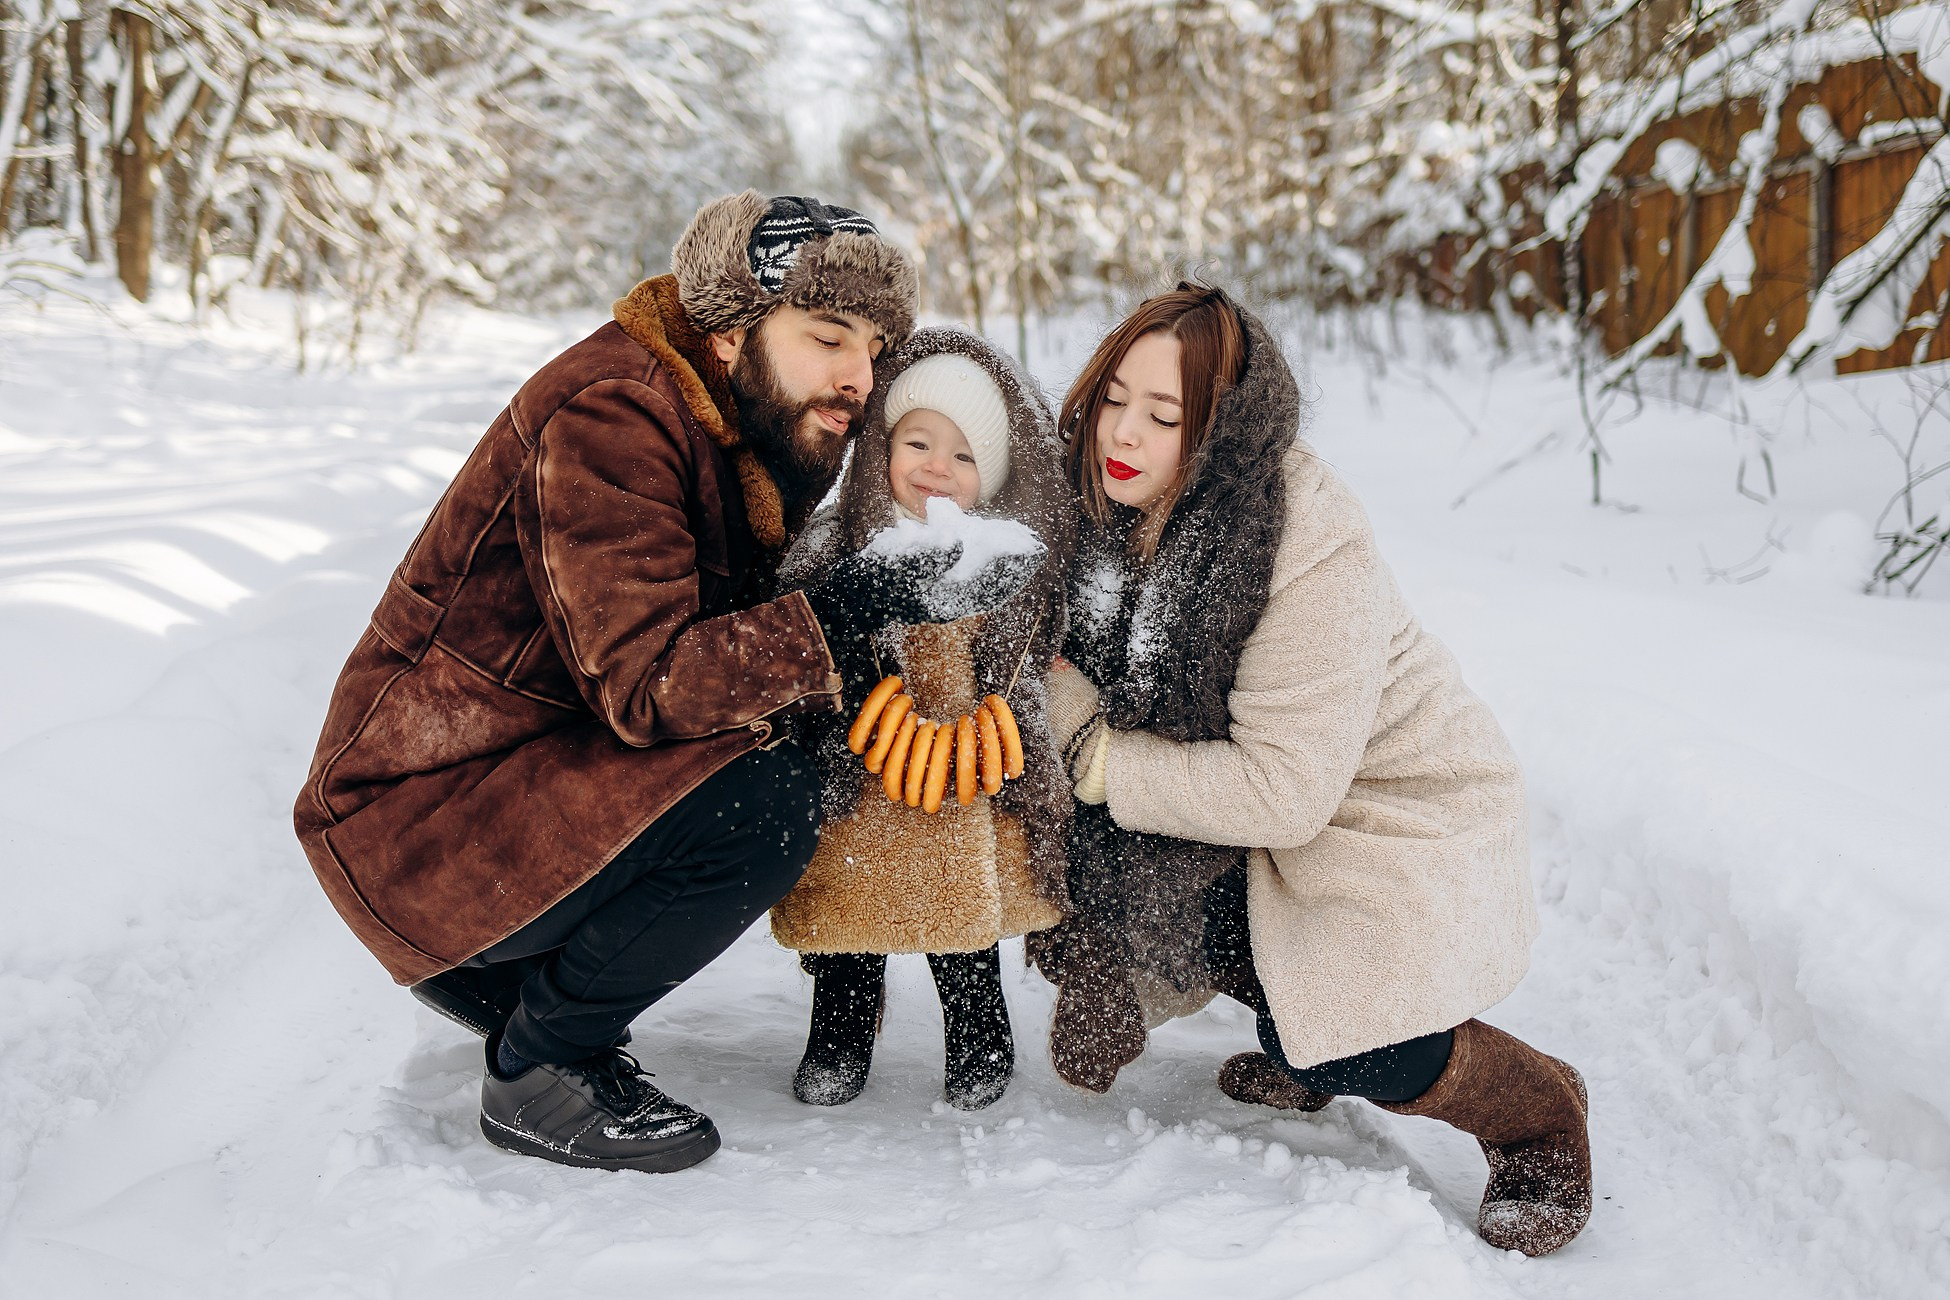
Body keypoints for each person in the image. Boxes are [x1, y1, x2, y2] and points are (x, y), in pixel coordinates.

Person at [292, 192, 1032, 1175]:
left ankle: (524, 989)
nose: (860, 376)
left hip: (505, 800)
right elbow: (651, 686)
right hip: (417, 828)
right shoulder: (615, 411)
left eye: (874, 346)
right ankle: (540, 1063)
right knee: (764, 798)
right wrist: (851, 605)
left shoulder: (740, 419)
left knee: (792, 736)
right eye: (828, 337)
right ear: (731, 331)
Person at [1034, 283, 1592, 1256]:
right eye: (1115, 395)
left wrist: (1092, 757)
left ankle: (1535, 1107)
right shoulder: (1104, 509)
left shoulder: (1300, 534)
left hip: (1390, 816)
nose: (1121, 431)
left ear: (1220, 429)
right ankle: (1319, 1020)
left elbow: (1283, 792)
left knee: (1335, 1027)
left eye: (1164, 415)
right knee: (1142, 885)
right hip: (1262, 816)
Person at [768, 329, 1075, 1111]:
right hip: (855, 778)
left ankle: (979, 1028)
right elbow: (796, 635)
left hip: (961, 781)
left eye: (966, 456)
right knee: (848, 911)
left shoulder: (999, 561)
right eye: (918, 442)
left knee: (957, 915)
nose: (938, 467)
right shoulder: (836, 548)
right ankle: (840, 1025)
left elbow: (1027, 666)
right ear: (881, 449)